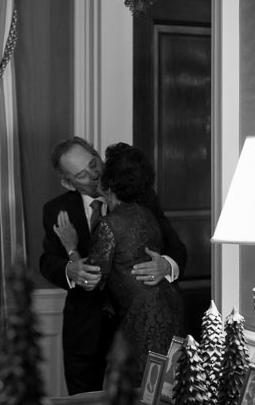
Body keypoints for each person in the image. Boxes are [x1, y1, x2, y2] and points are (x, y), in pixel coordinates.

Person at [38, 137, 187, 395]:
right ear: (67, 182)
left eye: (94, 164)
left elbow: (178, 249)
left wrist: (166, 265)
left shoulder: (142, 197)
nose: (94, 175)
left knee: (147, 397)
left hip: (139, 329)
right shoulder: (56, 210)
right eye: (82, 174)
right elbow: (46, 261)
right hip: (85, 335)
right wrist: (69, 269)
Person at [77, 142, 185, 381]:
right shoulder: (146, 214)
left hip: (142, 318)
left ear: (110, 182)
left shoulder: (109, 224)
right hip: (170, 308)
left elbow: (92, 279)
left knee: (131, 391)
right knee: (163, 390)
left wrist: (70, 249)